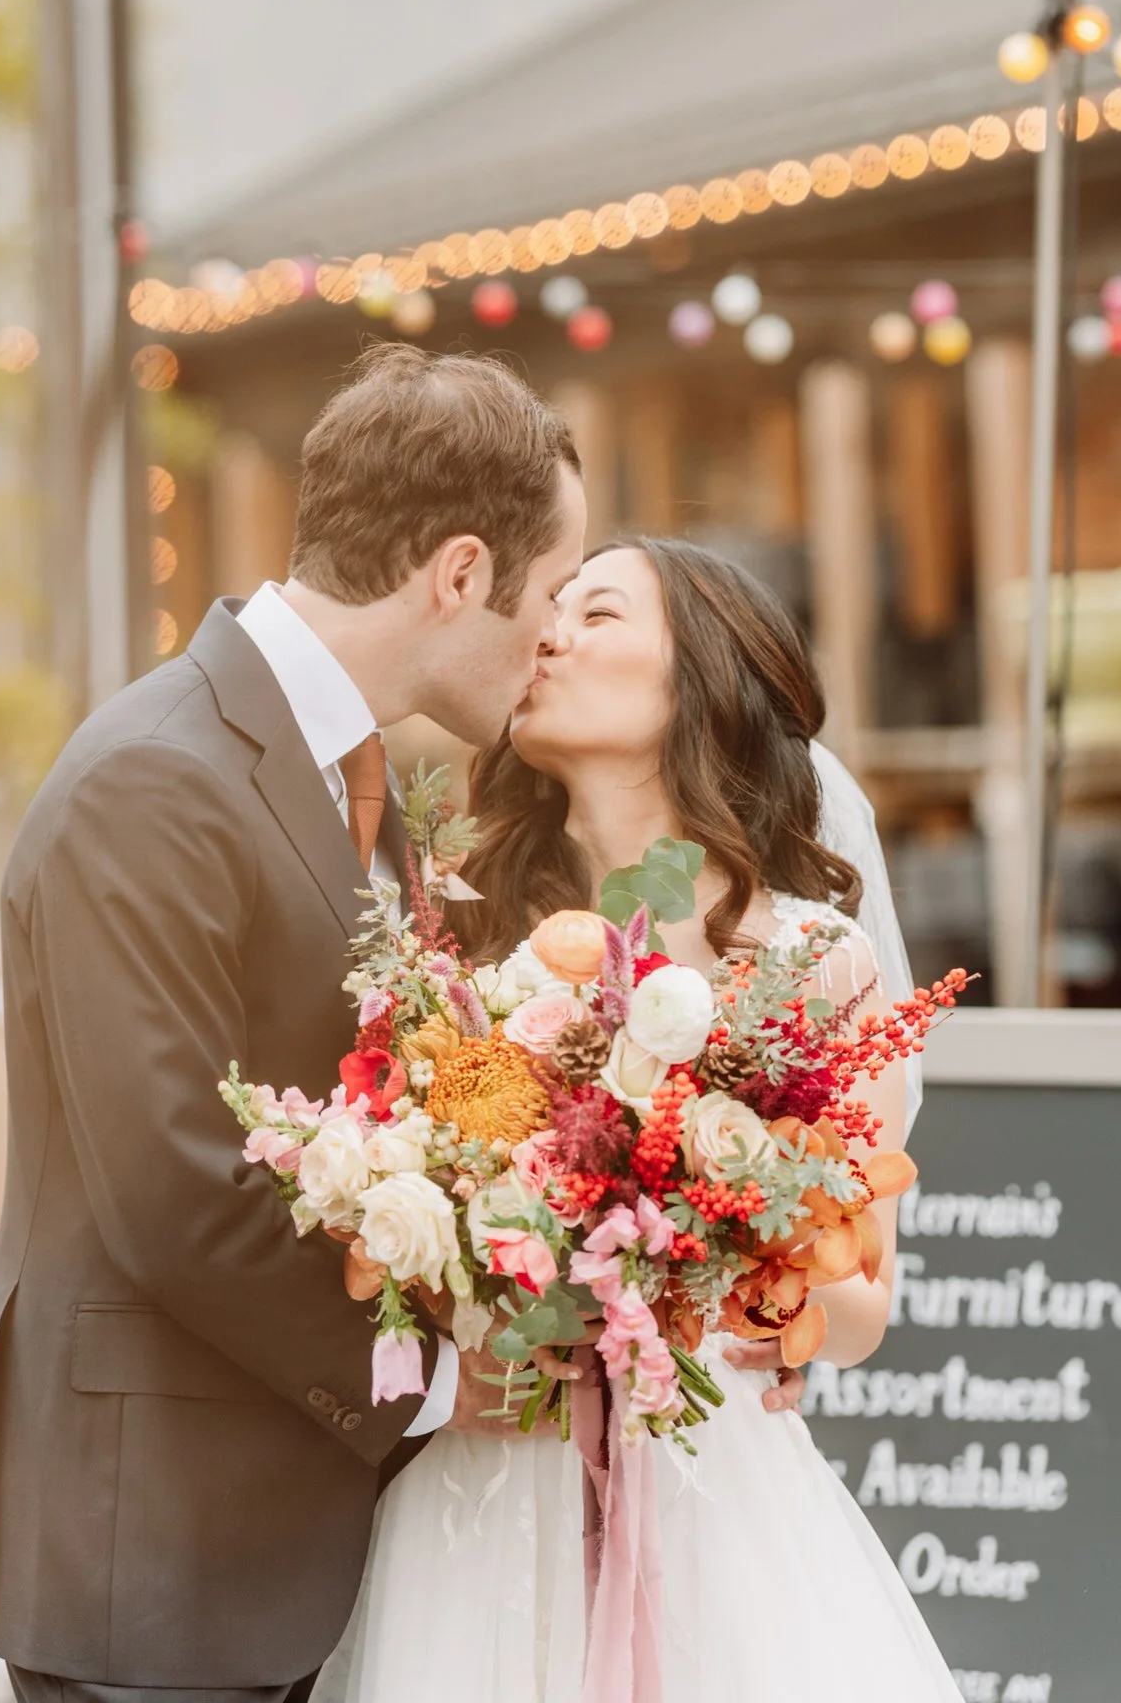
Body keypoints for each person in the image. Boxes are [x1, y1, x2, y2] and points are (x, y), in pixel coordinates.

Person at [0, 346, 588, 1703]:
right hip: (156, 1548)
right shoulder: (154, 781)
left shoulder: (350, 775)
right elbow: (172, 1187)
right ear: (458, 573)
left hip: (267, 1538)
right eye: (552, 592)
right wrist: (426, 1385)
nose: (552, 639)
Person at [314, 537, 958, 1702]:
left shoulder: (814, 962)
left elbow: (862, 1307)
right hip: (490, 1475)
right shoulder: (463, 948)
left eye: (595, 612)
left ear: (697, 677)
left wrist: (704, 1239)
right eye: (550, 607)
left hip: (710, 1486)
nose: (545, 631)